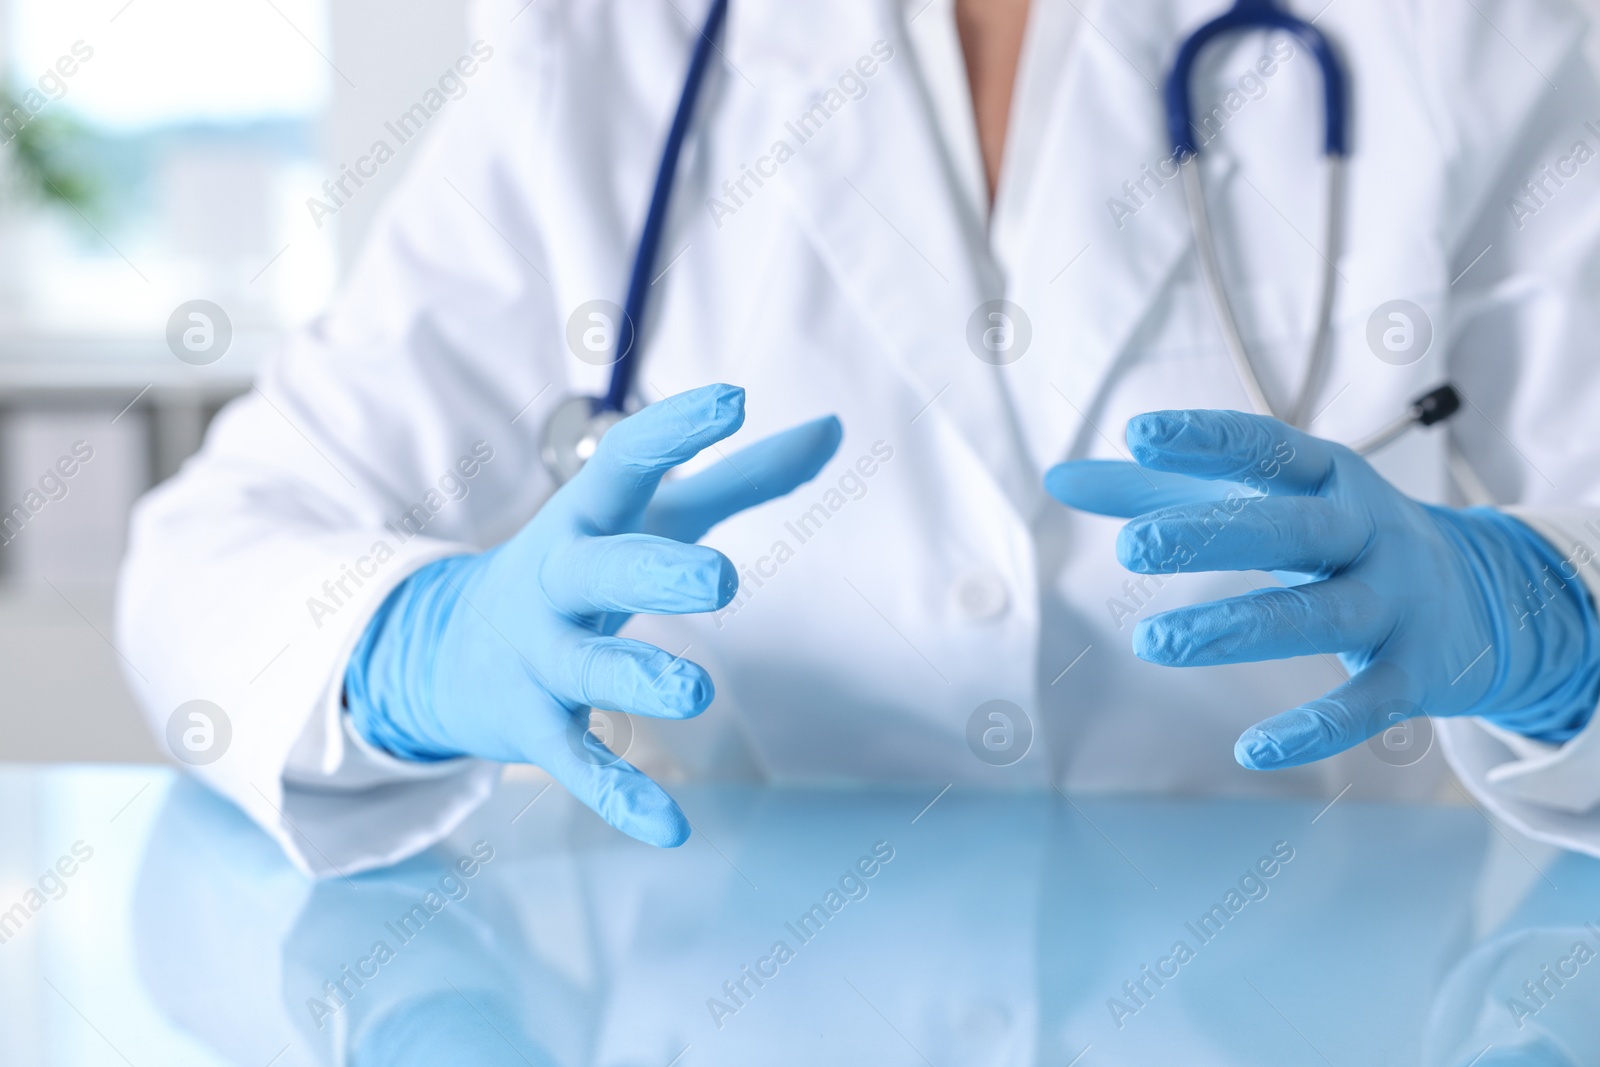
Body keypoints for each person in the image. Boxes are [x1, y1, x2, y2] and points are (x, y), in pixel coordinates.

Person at [117, 0, 1600, 877]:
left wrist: (1547, 623)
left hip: (1334, 995)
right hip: (742, 993)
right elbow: (209, 559)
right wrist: (411, 642)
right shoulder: (610, 51)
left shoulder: (1457, 34)